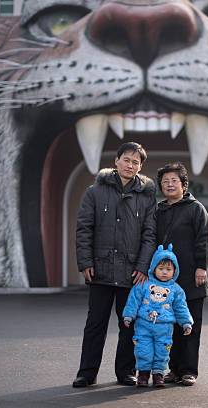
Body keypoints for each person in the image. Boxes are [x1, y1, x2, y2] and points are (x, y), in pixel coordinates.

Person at [73, 142, 157, 388]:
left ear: (140, 167)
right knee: (95, 324)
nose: (130, 165)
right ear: (116, 161)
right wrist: (85, 261)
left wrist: (143, 266)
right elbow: (84, 229)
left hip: (132, 273)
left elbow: (150, 234)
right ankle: (86, 373)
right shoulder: (94, 192)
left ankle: (125, 372)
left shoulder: (146, 196)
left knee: (129, 325)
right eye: (127, 160)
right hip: (100, 270)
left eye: (136, 162)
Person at [155, 162, 208, 386]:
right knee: (171, 327)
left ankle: (189, 371)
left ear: (183, 184)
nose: (169, 184)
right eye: (165, 181)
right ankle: (174, 369)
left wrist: (202, 267)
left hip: (191, 277)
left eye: (173, 181)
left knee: (190, 325)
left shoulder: (196, 208)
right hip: (166, 281)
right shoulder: (159, 211)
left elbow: (205, 239)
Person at [122, 244, 193, 387]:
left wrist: (186, 322)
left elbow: (181, 307)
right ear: (153, 268)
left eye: (168, 269)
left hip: (164, 328)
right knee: (143, 349)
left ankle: (158, 374)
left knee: (162, 351)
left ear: (175, 271)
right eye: (161, 269)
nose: (164, 272)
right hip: (143, 326)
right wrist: (128, 316)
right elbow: (133, 301)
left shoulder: (176, 290)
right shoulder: (144, 284)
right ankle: (143, 374)